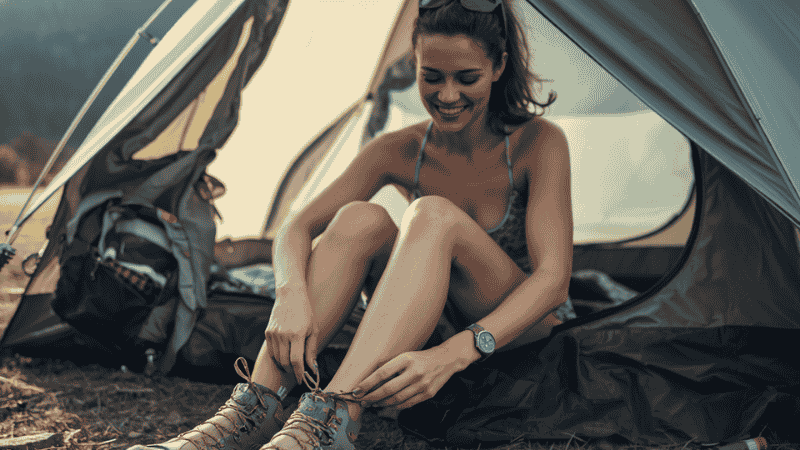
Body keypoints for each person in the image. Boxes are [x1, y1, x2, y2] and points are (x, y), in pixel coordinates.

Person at [130, 0, 572, 448]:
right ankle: (255, 408)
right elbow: (297, 225)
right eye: (431, 76)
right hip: (438, 319)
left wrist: (455, 354)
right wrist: (290, 298)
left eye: (467, 78)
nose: (448, 95)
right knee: (360, 218)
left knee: (432, 215)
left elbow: (553, 281)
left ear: (498, 66)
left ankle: (332, 416)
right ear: (414, 64)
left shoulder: (539, 142)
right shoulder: (400, 149)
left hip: (520, 329)